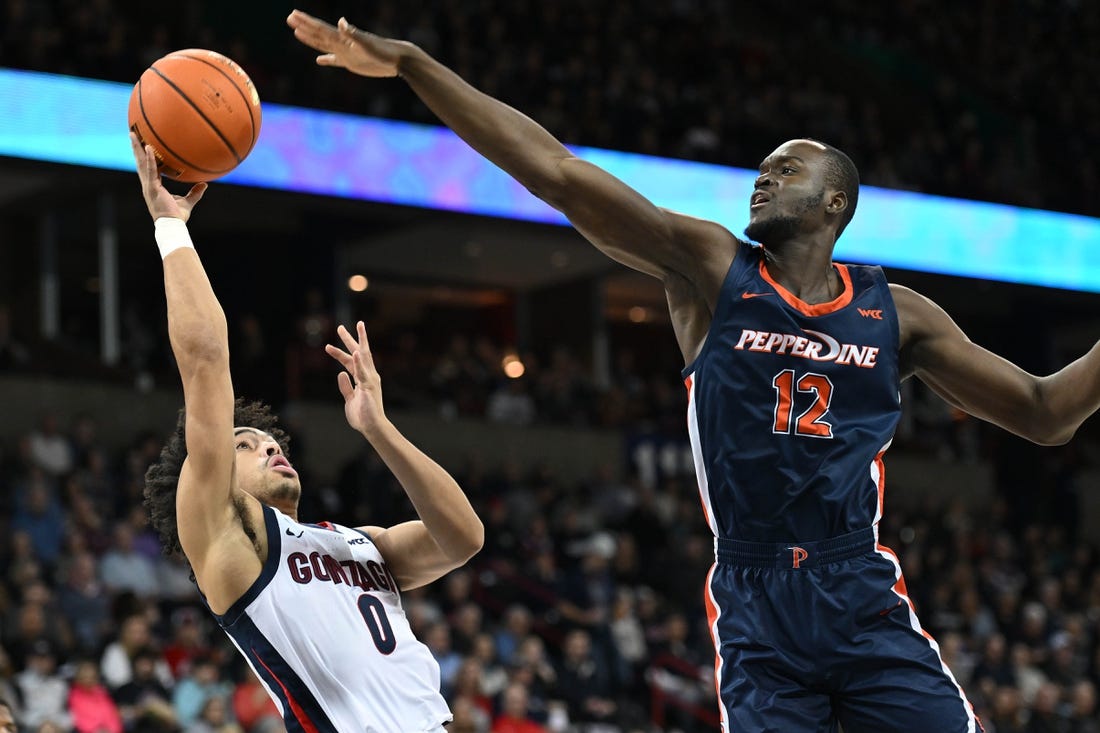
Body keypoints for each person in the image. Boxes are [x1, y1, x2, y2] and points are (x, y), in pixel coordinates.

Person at [285, 10, 1100, 732]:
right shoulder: (713, 268)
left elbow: (1044, 410)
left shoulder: (900, 313)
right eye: (765, 164)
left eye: (790, 166)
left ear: (835, 204)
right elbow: (560, 176)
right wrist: (415, 65)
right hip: (755, 595)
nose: (766, 173)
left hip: (859, 589)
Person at [130, 133, 484, 732]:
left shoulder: (357, 544)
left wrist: (378, 427)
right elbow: (207, 361)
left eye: (269, 440)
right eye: (244, 444)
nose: (267, 445)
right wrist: (170, 227)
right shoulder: (228, 538)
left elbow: (463, 537)